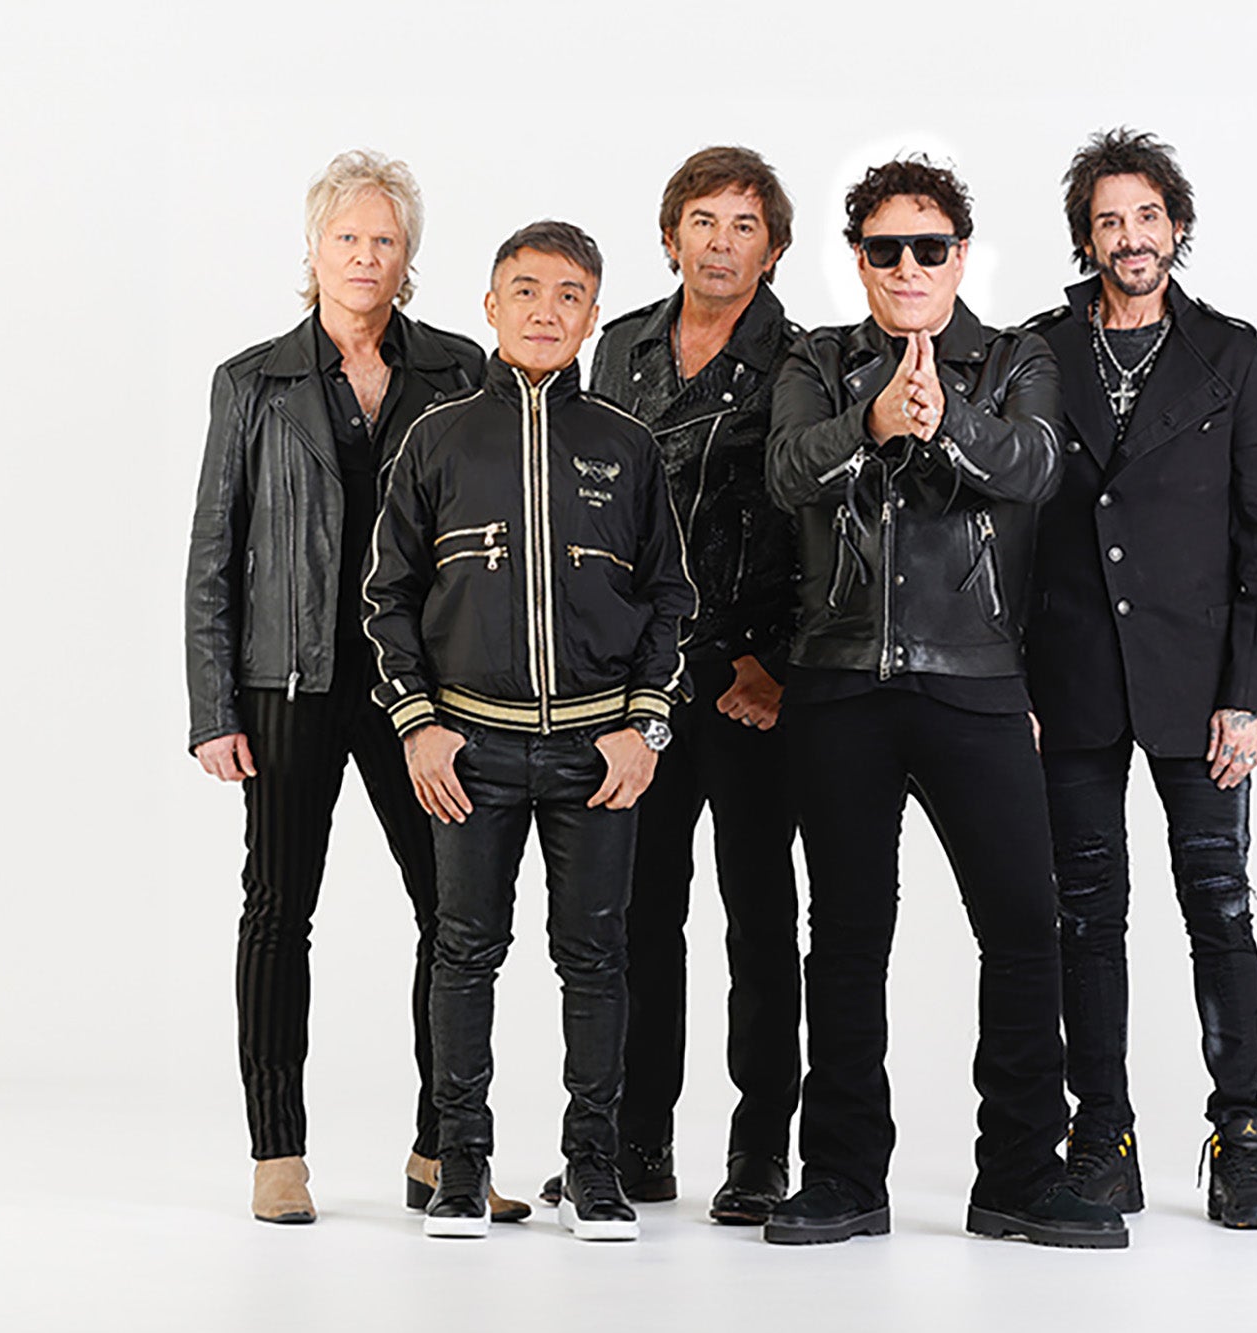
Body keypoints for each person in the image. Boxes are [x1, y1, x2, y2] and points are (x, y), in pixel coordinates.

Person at [762, 156, 1125, 1250]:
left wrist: (946, 419)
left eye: (929, 247)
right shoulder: (815, 360)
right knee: (845, 939)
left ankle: (1018, 1174)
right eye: (886, 249)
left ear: (960, 257)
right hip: (839, 683)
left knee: (1021, 930)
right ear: (858, 260)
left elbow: (1034, 467)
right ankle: (841, 1176)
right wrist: (873, 423)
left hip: (976, 682)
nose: (908, 266)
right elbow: (786, 471)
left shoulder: (1016, 359)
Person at [363, 220, 696, 1241]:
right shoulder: (438, 440)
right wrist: (419, 726)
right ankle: (460, 1169)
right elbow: (388, 596)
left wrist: (644, 725)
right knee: (464, 953)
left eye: (567, 296)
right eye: (525, 291)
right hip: (471, 752)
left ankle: (593, 1169)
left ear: (592, 316)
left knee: (595, 959)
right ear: (490, 306)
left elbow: (670, 598)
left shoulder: (625, 445)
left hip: (598, 755)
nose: (545, 312)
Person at [183, 149, 495, 1224]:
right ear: (314, 251)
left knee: (453, 912)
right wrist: (213, 709)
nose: (365, 256)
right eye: (346, 237)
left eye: (384, 240)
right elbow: (213, 555)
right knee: (279, 910)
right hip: (289, 682)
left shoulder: (459, 372)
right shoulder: (253, 382)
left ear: (408, 260)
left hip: (423, 688)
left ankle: (443, 1149)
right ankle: (278, 1153)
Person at [1022, 129, 1257, 1229]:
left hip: (1202, 685)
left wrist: (1252, 692)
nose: (1129, 237)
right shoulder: (1041, 352)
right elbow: (1013, 529)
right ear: (1085, 238)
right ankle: (1103, 1136)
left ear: (1175, 227)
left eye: (1146, 217)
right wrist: (1019, 683)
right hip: (1073, 678)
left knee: (1219, 907)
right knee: (1086, 917)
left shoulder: (1231, 353)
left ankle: (1241, 1137)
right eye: (1108, 221)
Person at [567, 147, 804, 1223]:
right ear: (670, 239)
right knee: (636, 917)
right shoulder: (617, 348)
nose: (720, 242)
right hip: (635, 685)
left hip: (747, 680)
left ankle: (759, 1151)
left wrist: (779, 663)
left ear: (773, 247)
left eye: (744, 225)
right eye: (702, 221)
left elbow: (822, 524)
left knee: (759, 918)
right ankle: (635, 1141)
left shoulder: (801, 360)